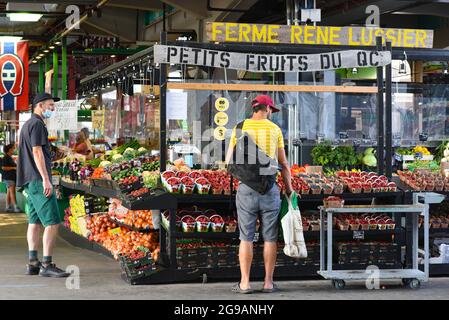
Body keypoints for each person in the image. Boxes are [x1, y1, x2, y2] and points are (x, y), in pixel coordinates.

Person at [226, 94, 293, 294]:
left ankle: (245, 283)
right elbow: (284, 164)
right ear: (267, 109)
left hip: (246, 188)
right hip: (269, 188)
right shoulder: (275, 130)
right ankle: (268, 283)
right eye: (271, 110)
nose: (271, 113)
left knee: (246, 237)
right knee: (270, 237)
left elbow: (229, 161)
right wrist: (289, 189)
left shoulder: (240, 127)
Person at [17, 93, 70, 278]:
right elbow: (37, 152)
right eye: (50, 106)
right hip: (39, 181)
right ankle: (47, 264)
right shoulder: (38, 124)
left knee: (35, 221)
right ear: (40, 106)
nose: (53, 109)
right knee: (53, 222)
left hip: (29, 181)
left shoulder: (27, 125)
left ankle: (33, 262)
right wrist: (46, 179)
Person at [2, 144, 21, 212]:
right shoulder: (6, 157)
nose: (14, 150)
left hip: (10, 177)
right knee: (12, 192)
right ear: (9, 149)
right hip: (9, 177)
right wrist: (14, 167)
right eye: (13, 148)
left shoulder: (9, 157)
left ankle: (8, 207)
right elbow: (3, 167)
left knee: (9, 192)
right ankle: (15, 207)